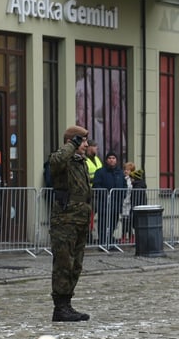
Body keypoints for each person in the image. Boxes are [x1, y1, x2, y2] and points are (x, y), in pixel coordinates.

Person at [49, 125, 92, 322]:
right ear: (72, 141)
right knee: (63, 264)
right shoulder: (62, 159)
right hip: (65, 220)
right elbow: (56, 161)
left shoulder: (80, 161)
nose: (86, 145)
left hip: (80, 219)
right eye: (82, 141)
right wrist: (71, 144)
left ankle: (67, 304)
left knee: (76, 265)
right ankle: (60, 307)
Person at [93, 151, 125, 248]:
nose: (112, 160)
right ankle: (103, 243)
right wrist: (105, 194)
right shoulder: (100, 172)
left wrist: (122, 195)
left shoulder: (120, 172)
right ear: (106, 160)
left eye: (113, 158)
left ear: (116, 160)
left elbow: (124, 185)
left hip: (116, 202)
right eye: (109, 158)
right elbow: (96, 185)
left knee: (113, 223)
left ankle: (110, 241)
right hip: (104, 202)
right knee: (103, 223)